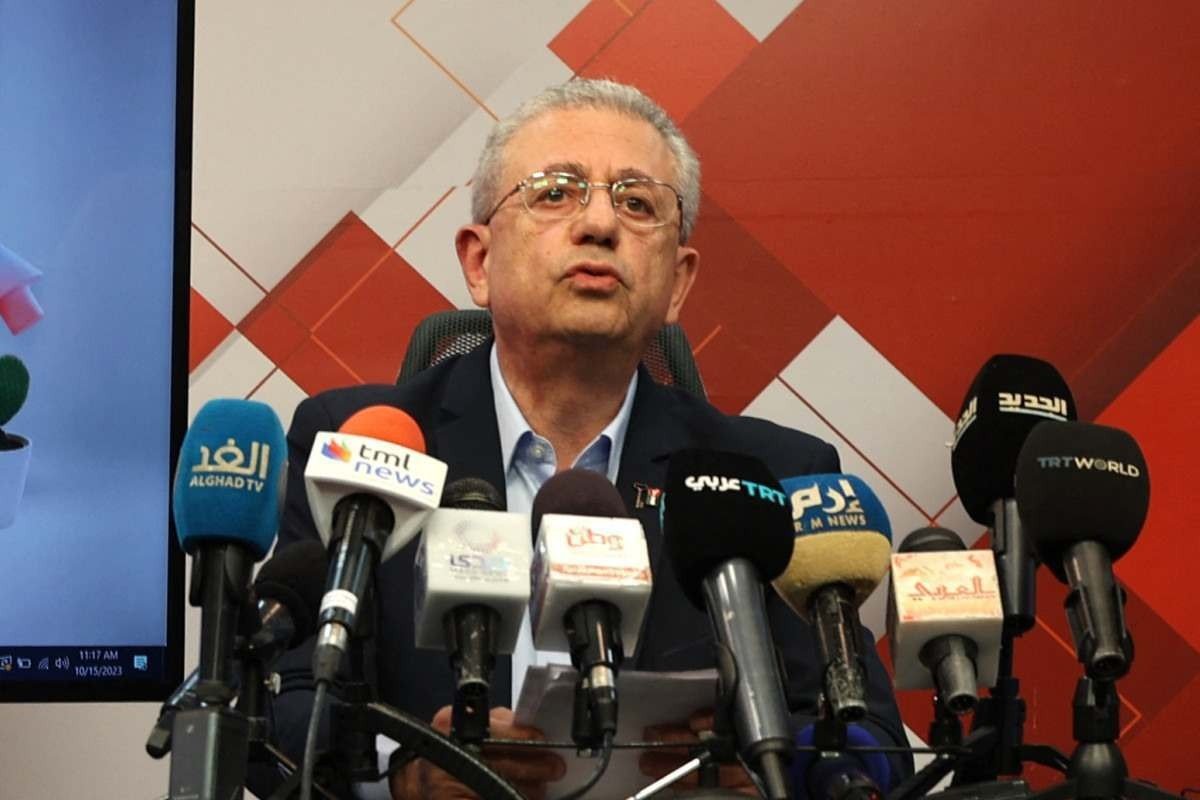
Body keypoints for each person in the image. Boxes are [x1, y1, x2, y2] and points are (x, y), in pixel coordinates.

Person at [272, 78, 910, 799]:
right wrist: (402, 777)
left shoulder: (774, 473)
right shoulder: (356, 448)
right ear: (479, 261)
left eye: (638, 203)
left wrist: (767, 770)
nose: (600, 224)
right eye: (554, 192)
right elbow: (276, 705)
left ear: (677, 285)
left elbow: (869, 737)